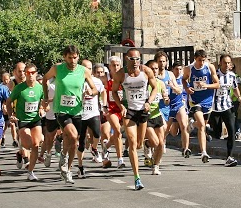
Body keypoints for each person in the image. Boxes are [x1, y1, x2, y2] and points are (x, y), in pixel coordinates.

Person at [43, 45, 100, 184]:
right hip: (61, 109)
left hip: (77, 110)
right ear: (64, 57)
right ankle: (63, 156)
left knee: (74, 141)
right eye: (70, 58)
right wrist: (45, 98)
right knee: (73, 135)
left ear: (78, 57)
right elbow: (45, 79)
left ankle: (67, 170)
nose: (73, 60)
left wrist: (90, 93)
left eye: (75, 57)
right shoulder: (57, 69)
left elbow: (95, 89)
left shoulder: (84, 71)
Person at [112, 48, 158, 190]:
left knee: (138, 144)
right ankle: (137, 177)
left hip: (143, 110)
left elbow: (155, 88)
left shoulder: (146, 71)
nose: (136, 62)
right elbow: (113, 91)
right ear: (127, 59)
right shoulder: (121, 74)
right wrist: (120, 106)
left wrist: (149, 102)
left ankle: (143, 146)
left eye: (138, 59)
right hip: (129, 110)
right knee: (132, 142)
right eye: (133, 59)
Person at [7, 63, 45, 181]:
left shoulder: (40, 87)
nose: (30, 75)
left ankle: (30, 171)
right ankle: (21, 150)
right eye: (28, 73)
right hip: (22, 120)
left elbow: (44, 101)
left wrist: (42, 108)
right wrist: (10, 115)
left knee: (35, 145)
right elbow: (9, 102)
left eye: (33, 73)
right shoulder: (19, 88)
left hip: (35, 120)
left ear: (36, 73)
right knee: (28, 144)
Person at [183, 49, 219, 161]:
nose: (201, 63)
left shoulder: (210, 67)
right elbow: (183, 80)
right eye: (199, 60)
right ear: (195, 59)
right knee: (203, 125)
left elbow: (217, 84)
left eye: (203, 60)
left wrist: (206, 85)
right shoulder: (189, 68)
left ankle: (193, 125)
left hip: (208, 101)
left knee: (202, 126)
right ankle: (204, 152)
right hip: (195, 101)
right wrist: (187, 88)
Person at [211, 54, 241, 166]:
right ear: (220, 63)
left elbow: (235, 88)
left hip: (227, 106)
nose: (227, 65)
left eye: (228, 63)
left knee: (231, 131)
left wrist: (239, 97)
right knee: (217, 134)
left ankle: (229, 157)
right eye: (225, 63)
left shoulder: (232, 76)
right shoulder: (214, 75)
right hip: (214, 107)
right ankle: (203, 129)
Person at [76, 60, 106, 178]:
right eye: (85, 68)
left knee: (97, 133)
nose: (87, 70)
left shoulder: (97, 81)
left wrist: (103, 105)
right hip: (80, 114)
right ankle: (80, 167)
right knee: (81, 143)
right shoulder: (76, 81)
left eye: (89, 68)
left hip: (93, 112)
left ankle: (94, 148)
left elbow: (102, 91)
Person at [165, 61, 190, 158]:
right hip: (169, 106)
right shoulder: (168, 79)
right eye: (176, 69)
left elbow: (187, 90)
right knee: (172, 132)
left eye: (180, 69)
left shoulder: (183, 80)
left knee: (184, 126)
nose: (178, 71)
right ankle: (161, 144)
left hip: (180, 105)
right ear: (172, 70)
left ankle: (186, 148)